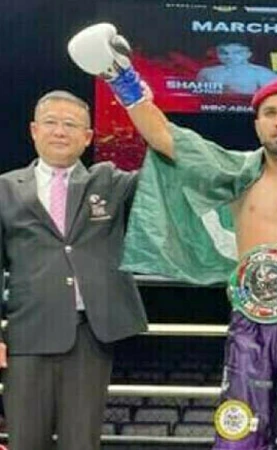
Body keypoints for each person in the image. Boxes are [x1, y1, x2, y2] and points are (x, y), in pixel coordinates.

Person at [68, 23, 277, 450]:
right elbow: (164, 136)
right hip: (250, 323)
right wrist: (119, 75)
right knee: (239, 438)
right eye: (271, 114)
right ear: (258, 125)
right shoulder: (233, 174)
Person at [0, 90, 148, 450]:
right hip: (26, 334)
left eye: (70, 124)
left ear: (87, 137)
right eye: (51, 122)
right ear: (34, 130)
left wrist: (139, 101)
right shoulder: (4, 189)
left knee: (81, 443)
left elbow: (162, 170)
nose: (59, 131)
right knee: (25, 442)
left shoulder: (109, 182)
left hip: (89, 335)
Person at [196, 41, 277, 94]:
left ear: (248, 54)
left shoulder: (263, 74)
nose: (229, 56)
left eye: (236, 53)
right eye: (224, 53)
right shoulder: (206, 73)